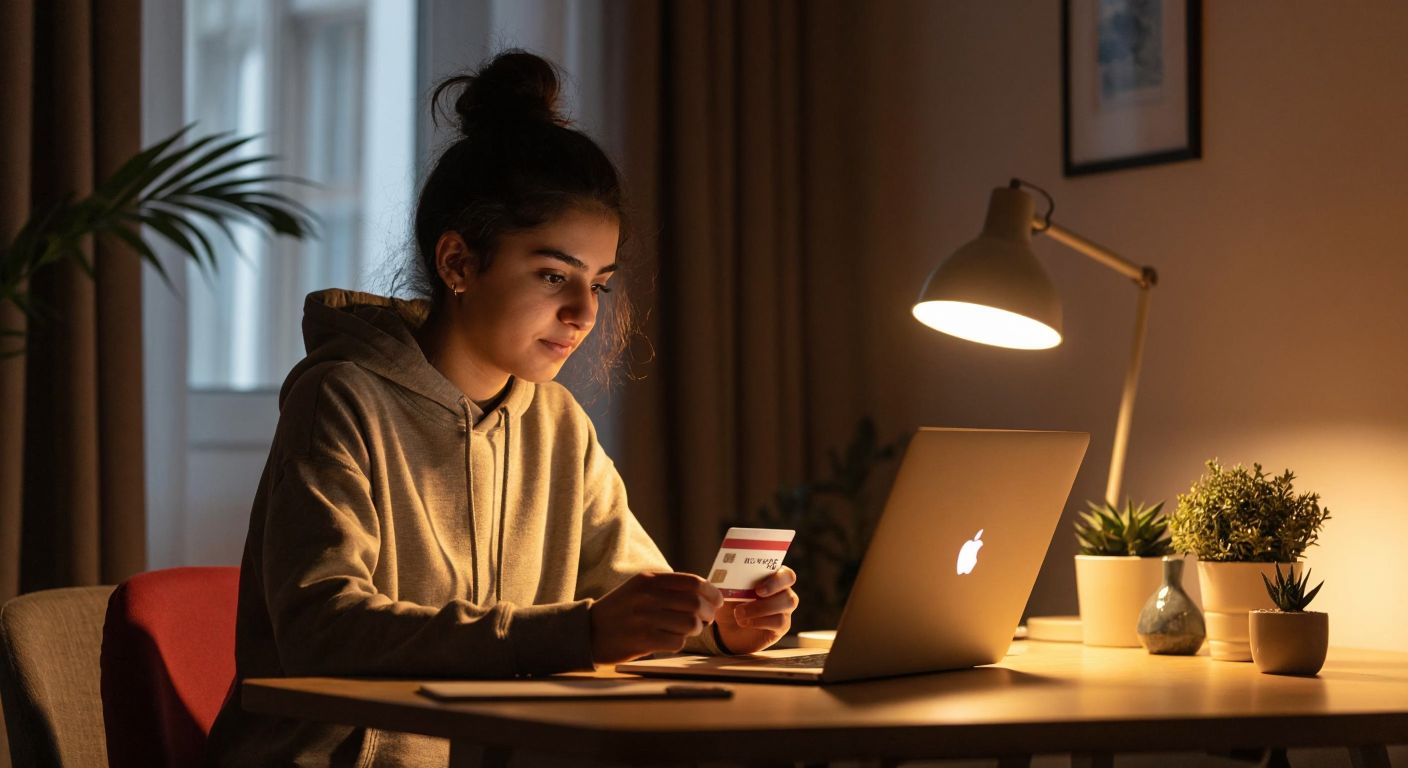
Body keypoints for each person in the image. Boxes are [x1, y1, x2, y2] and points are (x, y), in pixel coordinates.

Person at [203, 50, 799, 767]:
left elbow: (627, 598)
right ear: (457, 263)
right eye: (554, 275)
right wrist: (576, 634)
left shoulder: (556, 423)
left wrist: (719, 625)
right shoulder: (341, 398)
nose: (583, 312)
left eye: (599, 283)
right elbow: (324, 628)